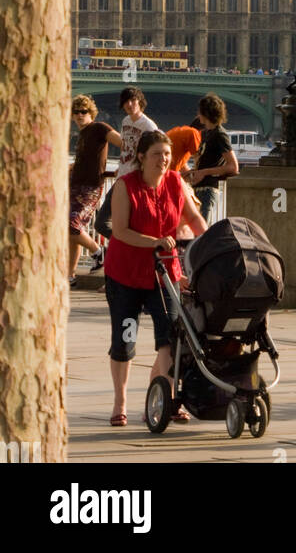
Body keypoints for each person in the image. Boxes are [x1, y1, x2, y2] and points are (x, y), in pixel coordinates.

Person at [104, 129, 207, 426]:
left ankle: (166, 398)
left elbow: (193, 218)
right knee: (126, 339)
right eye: (156, 154)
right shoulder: (126, 186)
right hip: (126, 274)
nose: (163, 160)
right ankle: (119, 402)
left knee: (169, 338)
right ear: (141, 157)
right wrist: (156, 242)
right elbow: (120, 231)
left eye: (166, 154)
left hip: (164, 275)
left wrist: (212, 239)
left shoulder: (176, 182)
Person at [93, 86, 158, 242]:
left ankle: (131, 247)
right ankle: (128, 245)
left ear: (140, 101)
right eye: (126, 102)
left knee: (132, 224)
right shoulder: (125, 121)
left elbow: (155, 154)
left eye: (133, 100)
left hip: (136, 183)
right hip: (121, 178)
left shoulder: (149, 126)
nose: (129, 105)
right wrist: (120, 167)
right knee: (101, 223)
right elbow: (126, 147)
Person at [69, 96, 122, 283]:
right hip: (75, 186)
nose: (79, 115)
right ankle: (70, 275)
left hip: (90, 188)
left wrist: (124, 164)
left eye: (83, 112)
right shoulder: (82, 134)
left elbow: (123, 143)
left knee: (72, 225)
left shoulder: (99, 128)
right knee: (72, 232)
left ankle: (99, 252)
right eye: (76, 112)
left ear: (91, 113)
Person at [185, 95, 239, 223]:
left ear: (206, 113)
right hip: (198, 189)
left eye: (200, 111)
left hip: (207, 190)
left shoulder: (220, 135)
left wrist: (203, 172)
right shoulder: (206, 133)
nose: (198, 114)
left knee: (201, 232)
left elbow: (233, 166)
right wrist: (192, 172)